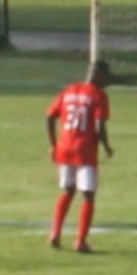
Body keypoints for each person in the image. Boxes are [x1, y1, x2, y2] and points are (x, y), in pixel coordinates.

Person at [46, 59, 114, 253]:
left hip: (64, 147)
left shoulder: (69, 90)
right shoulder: (99, 95)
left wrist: (53, 144)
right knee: (88, 195)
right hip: (84, 150)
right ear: (98, 74)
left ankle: (55, 234)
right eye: (106, 76)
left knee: (68, 191)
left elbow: (49, 117)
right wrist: (107, 146)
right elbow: (100, 125)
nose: (107, 81)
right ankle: (80, 241)